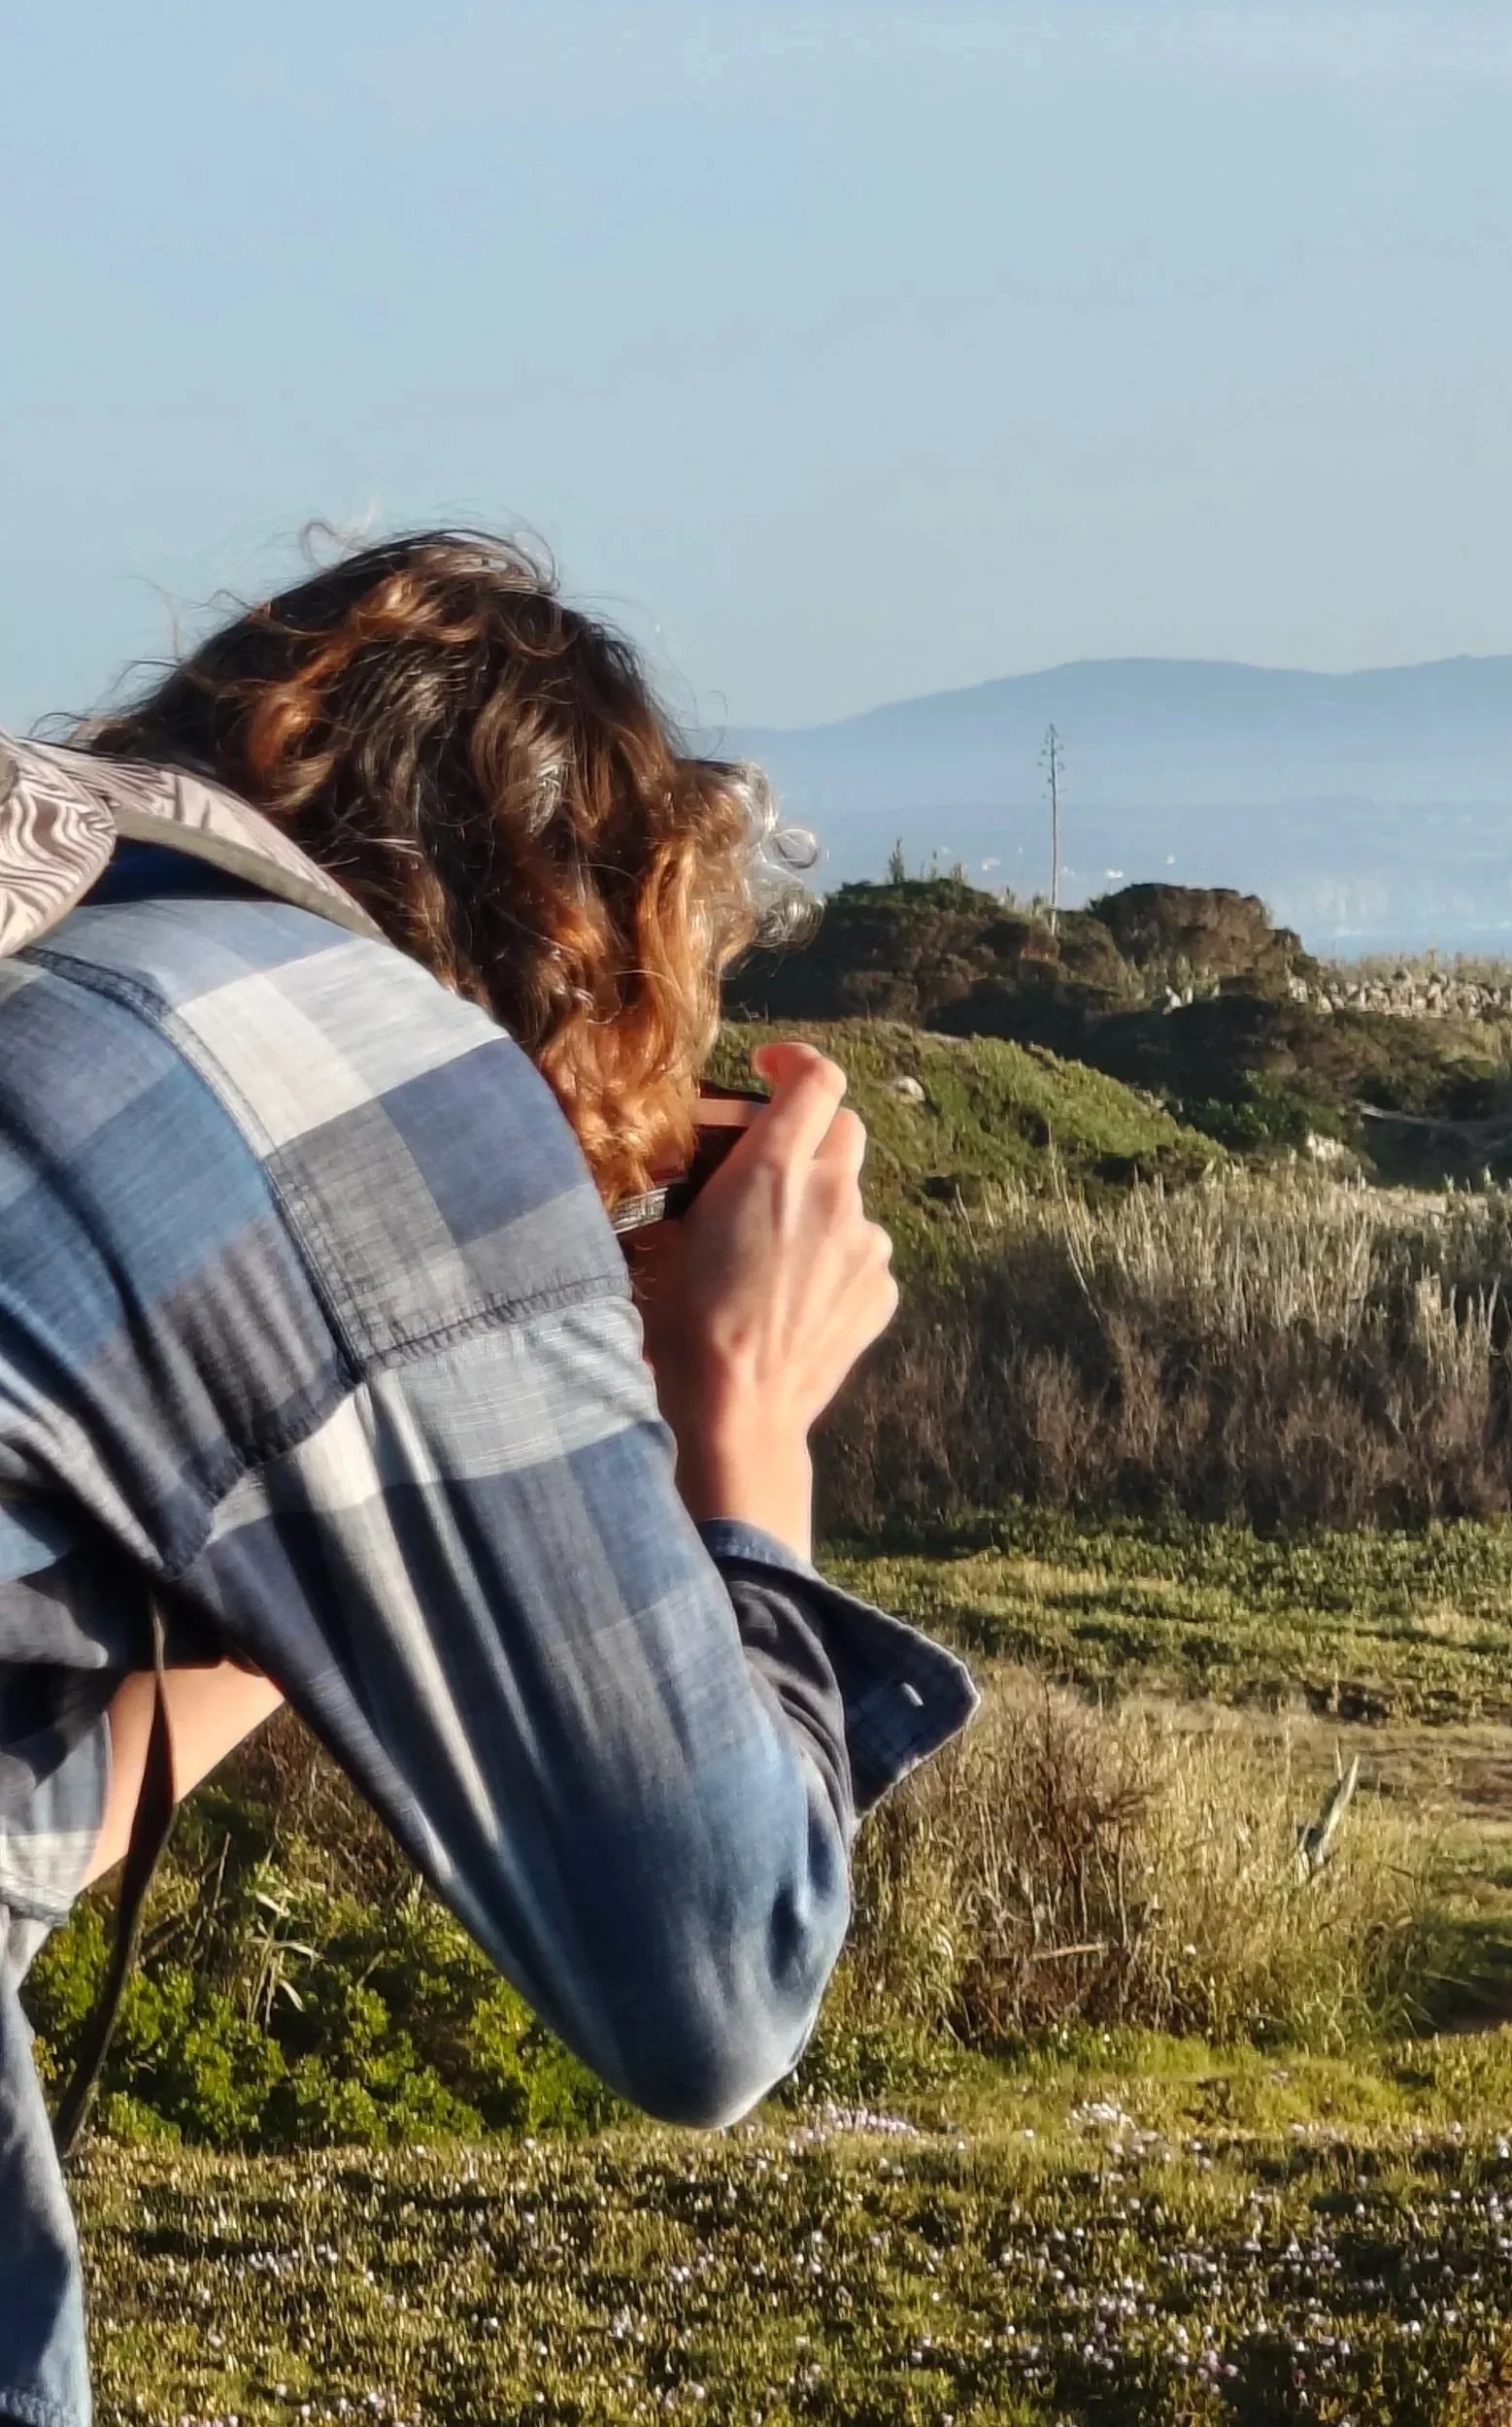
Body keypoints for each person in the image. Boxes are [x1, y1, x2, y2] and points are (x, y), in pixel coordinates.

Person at [0, 532, 977, 2424]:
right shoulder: (368, 1060)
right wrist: (737, 1419)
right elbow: (710, 1980)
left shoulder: (49, 958)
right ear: (580, 954)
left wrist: (417, 1487)